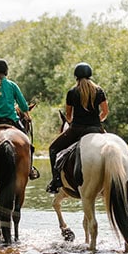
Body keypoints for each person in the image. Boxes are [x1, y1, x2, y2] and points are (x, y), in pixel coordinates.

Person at [46, 62, 109, 194]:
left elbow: (68, 115)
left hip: (77, 129)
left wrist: (70, 122)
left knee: (53, 149)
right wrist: (98, 120)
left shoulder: (72, 92)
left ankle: (55, 181)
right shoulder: (99, 91)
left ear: (76, 77)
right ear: (90, 75)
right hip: (96, 129)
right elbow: (105, 112)